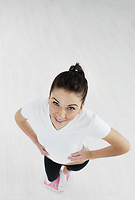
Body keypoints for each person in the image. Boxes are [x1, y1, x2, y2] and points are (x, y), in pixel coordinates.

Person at [15, 63, 131, 192]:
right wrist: (36, 141)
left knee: (68, 170)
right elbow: (19, 118)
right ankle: (57, 177)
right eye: (55, 103)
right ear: (49, 98)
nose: (60, 115)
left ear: (81, 107)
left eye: (71, 108)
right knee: (51, 177)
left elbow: (124, 146)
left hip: (76, 161)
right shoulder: (36, 108)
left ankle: (65, 172)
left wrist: (90, 154)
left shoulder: (89, 120)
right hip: (50, 157)